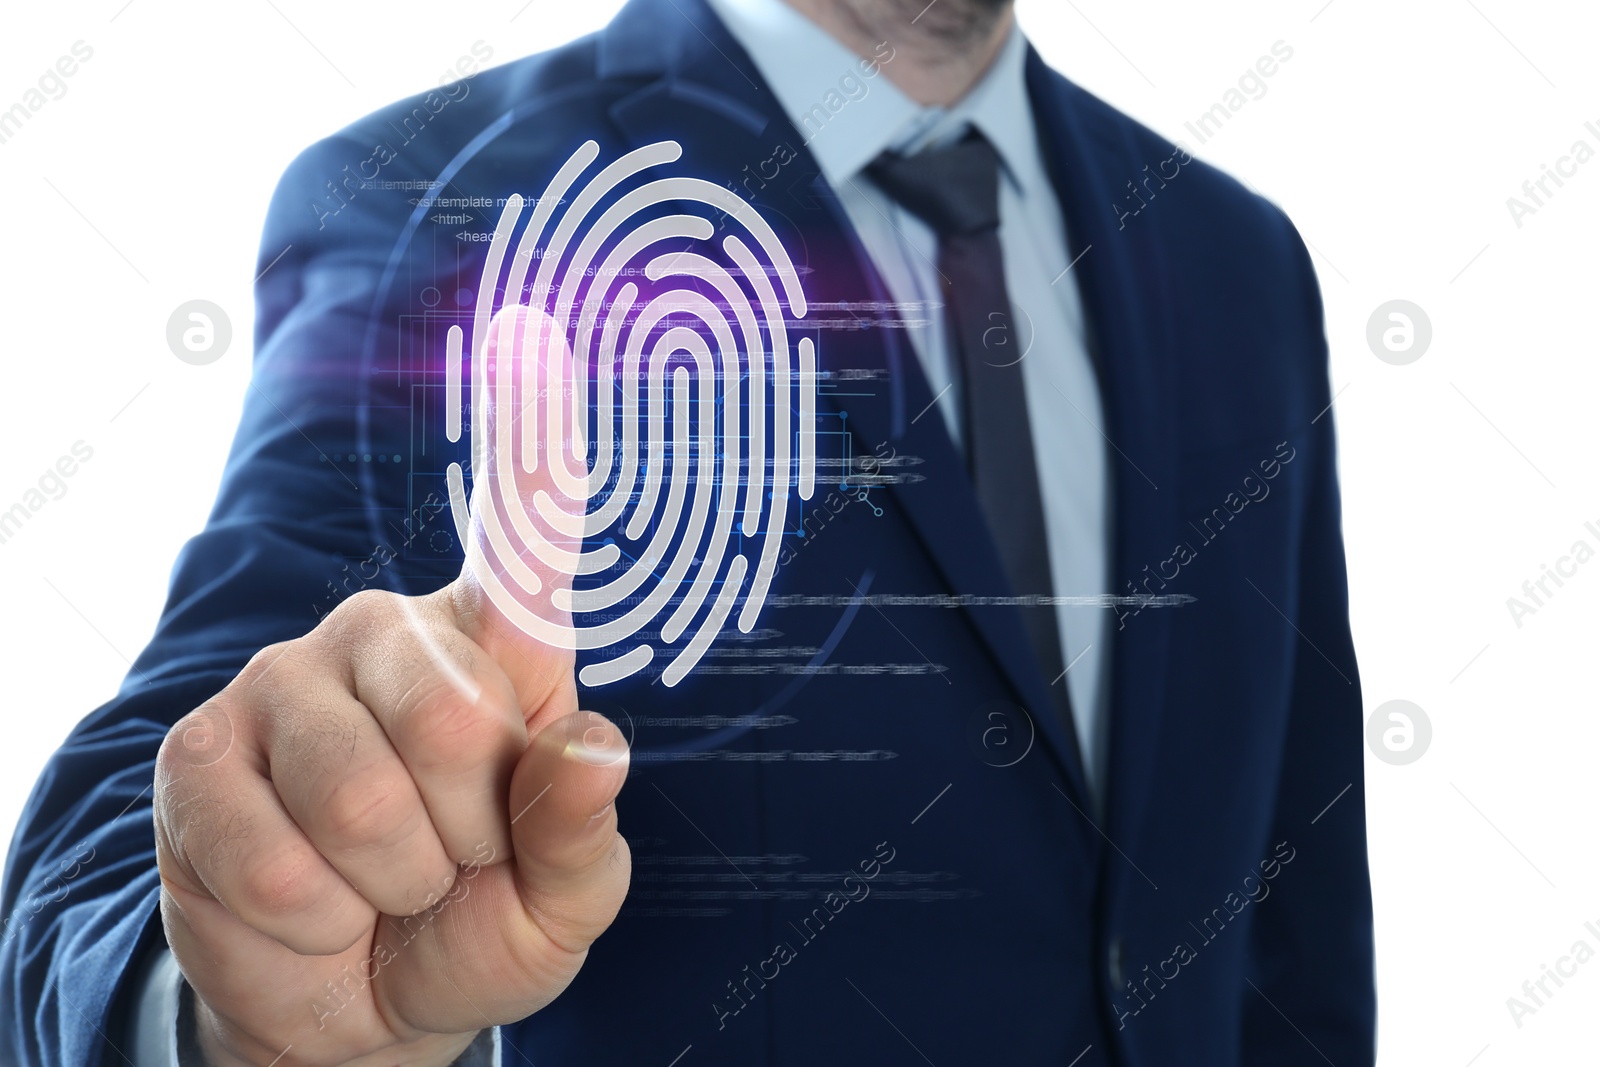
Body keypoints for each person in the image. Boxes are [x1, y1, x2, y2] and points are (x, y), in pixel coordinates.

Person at [0, 0, 1376, 1063]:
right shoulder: (441, 207)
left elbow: (1296, 882)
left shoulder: (1238, 260)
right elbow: (130, 819)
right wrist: (234, 1005)